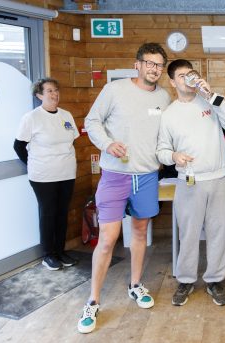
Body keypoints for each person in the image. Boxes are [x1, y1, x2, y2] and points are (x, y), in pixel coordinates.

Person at [77, 43, 171, 334]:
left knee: (140, 232)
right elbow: (92, 121)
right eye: (149, 63)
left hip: (146, 177)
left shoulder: (165, 97)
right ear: (138, 64)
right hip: (115, 175)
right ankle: (92, 301)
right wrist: (107, 144)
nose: (154, 69)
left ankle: (135, 285)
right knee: (108, 239)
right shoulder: (115, 90)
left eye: (159, 65)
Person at [157, 59, 225, 307]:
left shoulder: (210, 102)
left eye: (190, 74)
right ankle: (185, 280)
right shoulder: (169, 114)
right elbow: (161, 150)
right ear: (172, 82)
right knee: (189, 234)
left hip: (219, 179)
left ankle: (215, 280)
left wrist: (212, 94)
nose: (188, 79)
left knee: (217, 233)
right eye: (181, 76)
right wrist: (173, 156)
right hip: (189, 182)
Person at [14, 78, 79, 271]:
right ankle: (48, 255)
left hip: (66, 173)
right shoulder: (31, 118)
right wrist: (34, 164)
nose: (54, 94)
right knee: (48, 213)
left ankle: (60, 251)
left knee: (62, 213)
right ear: (39, 95)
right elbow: (18, 146)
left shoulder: (66, 115)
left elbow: (71, 141)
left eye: (56, 90)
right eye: (49, 91)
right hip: (43, 176)